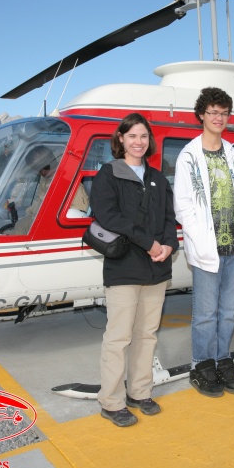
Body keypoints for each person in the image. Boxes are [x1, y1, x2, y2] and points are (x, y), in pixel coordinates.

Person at [90, 113, 178, 427]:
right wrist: (149, 243)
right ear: (121, 140)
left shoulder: (158, 178)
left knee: (146, 335)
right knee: (118, 338)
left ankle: (139, 392)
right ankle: (111, 401)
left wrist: (168, 245)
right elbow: (109, 217)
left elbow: (170, 217)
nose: (138, 142)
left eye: (143, 136)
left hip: (156, 269)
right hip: (124, 267)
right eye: (132, 136)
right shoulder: (108, 175)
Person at [174, 87, 234, 397]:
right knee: (206, 314)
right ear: (201, 115)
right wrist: (201, 241)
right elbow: (183, 206)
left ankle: (223, 360)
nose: (218, 118)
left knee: (228, 312)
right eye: (213, 113)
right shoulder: (188, 157)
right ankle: (201, 364)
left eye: (223, 113)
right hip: (208, 250)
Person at [11, 145, 58, 235]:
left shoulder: (66, 181)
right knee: (19, 226)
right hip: (37, 219)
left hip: (50, 226)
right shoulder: (45, 179)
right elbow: (39, 201)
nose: (38, 173)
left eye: (36, 169)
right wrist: (29, 214)